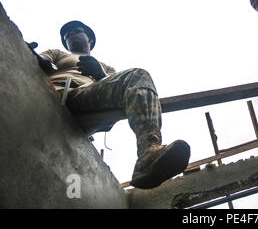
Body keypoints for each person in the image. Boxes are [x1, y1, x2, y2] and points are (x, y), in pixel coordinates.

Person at [32, 20, 190, 189]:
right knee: (135, 76)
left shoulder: (106, 68)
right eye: (66, 35)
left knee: (137, 77)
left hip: (93, 110)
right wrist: (33, 54)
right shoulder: (59, 54)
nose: (70, 35)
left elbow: (126, 91)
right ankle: (148, 156)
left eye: (75, 31)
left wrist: (99, 73)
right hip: (65, 94)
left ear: (89, 39)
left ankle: (148, 154)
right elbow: (41, 60)